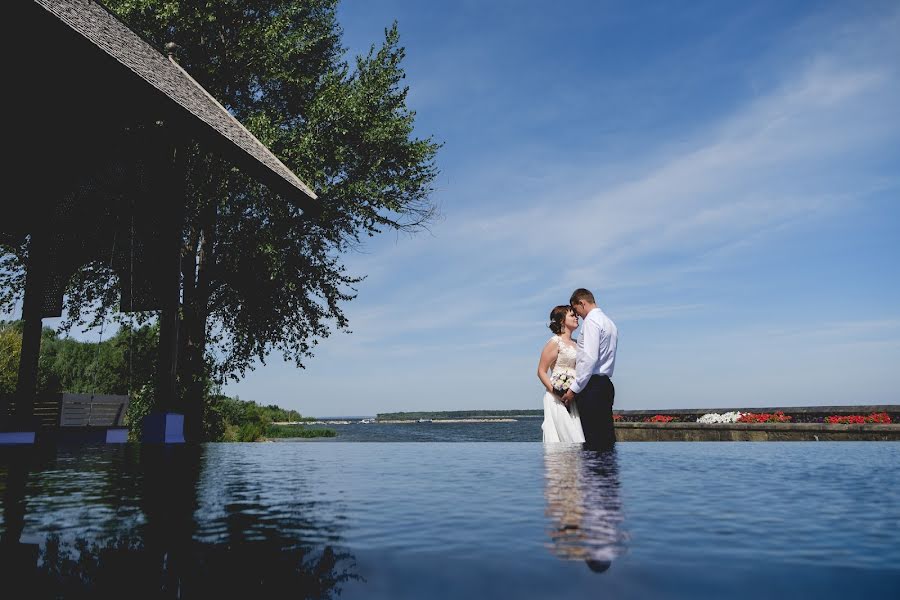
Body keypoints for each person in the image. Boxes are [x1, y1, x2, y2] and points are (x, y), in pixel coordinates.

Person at [561, 289, 618, 450]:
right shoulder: (609, 323)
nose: (577, 315)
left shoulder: (592, 322)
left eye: (576, 309)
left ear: (582, 303)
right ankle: (607, 474)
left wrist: (574, 389)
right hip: (605, 384)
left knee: (592, 438)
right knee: (606, 437)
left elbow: (589, 358)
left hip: (592, 387)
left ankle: (593, 475)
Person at [537, 305, 585, 443]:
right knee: (564, 437)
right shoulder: (554, 342)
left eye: (576, 315)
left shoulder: (577, 344)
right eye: (572, 315)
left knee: (576, 439)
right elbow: (541, 371)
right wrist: (556, 391)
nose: (576, 317)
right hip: (556, 397)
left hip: (572, 396)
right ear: (562, 321)